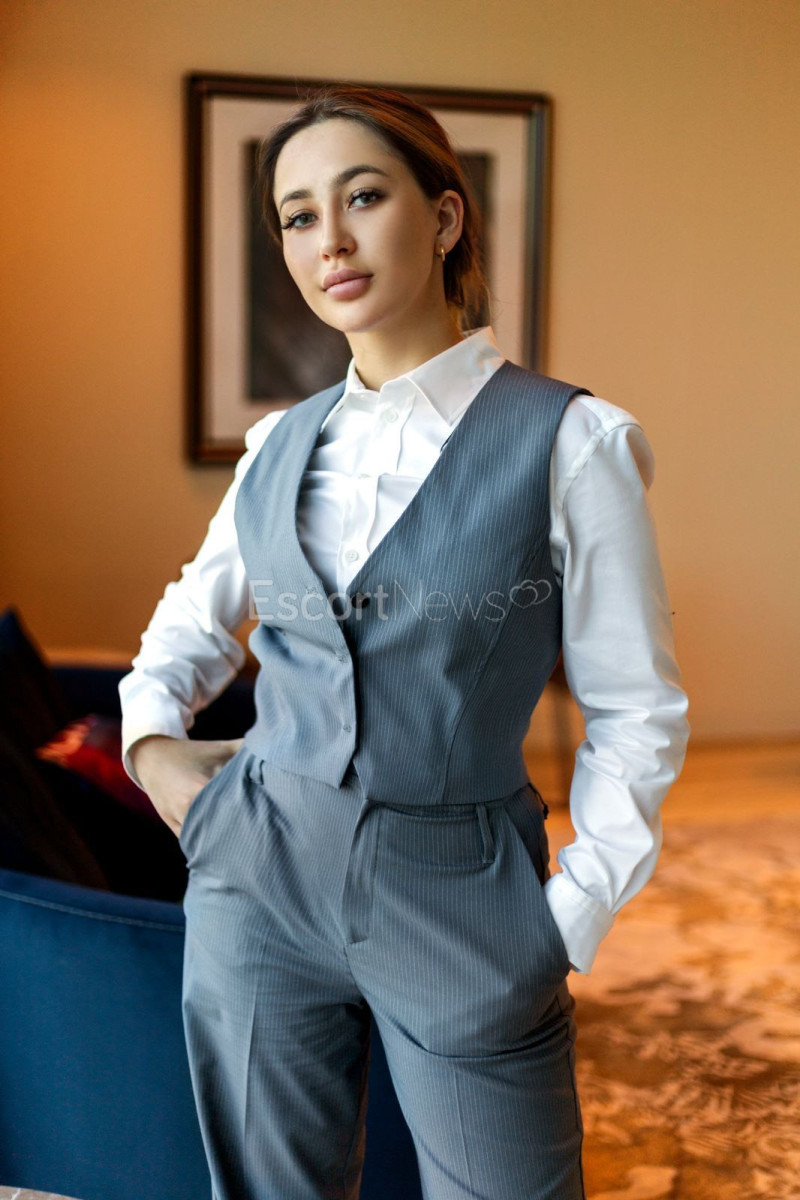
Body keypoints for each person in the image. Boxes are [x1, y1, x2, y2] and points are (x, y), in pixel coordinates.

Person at [119, 84, 690, 1200]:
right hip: (256, 881)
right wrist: (153, 751)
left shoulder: (573, 440)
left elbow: (636, 709)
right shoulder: (278, 444)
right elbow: (190, 621)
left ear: (443, 218)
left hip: (463, 897)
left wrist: (567, 918)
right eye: (297, 216)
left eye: (363, 197)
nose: (328, 239)